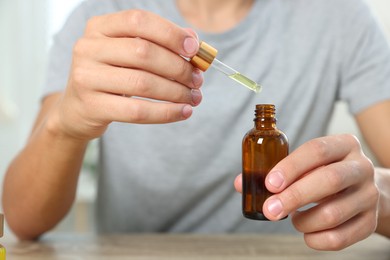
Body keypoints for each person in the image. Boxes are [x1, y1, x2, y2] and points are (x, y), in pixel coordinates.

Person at [2, 0, 390, 251]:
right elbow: (21, 219)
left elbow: (380, 190)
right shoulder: (103, 17)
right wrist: (66, 127)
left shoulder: (339, 17)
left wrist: (380, 197)